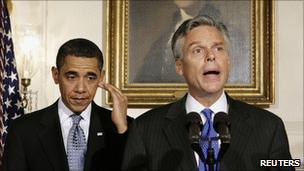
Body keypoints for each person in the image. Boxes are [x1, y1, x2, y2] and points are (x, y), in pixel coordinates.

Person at [122, 15, 294, 171]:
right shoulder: (145, 129)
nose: (211, 56)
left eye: (218, 49)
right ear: (179, 66)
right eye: (198, 50)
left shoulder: (269, 127)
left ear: (228, 61)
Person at [2, 38, 132, 171]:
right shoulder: (23, 130)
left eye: (90, 77)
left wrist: (121, 128)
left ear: (101, 77)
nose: (81, 88)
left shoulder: (123, 128)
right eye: (72, 77)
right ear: (56, 75)